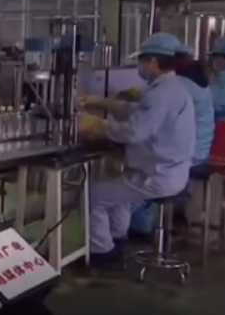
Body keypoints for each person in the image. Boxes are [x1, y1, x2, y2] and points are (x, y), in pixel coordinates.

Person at [78, 33, 196, 267]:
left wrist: (99, 126)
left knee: (92, 195)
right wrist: (104, 103)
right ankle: (117, 239)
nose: (139, 67)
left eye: (141, 61)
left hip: (159, 174)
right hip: (168, 170)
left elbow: (135, 132)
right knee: (117, 192)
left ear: (152, 61)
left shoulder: (162, 93)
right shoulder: (172, 87)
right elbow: (141, 113)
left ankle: (102, 253)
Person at [128, 45, 215, 238]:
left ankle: (140, 229)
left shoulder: (180, 85)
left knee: (135, 179)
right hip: (198, 149)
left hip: (186, 155)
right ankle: (147, 226)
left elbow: (144, 123)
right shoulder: (197, 80)